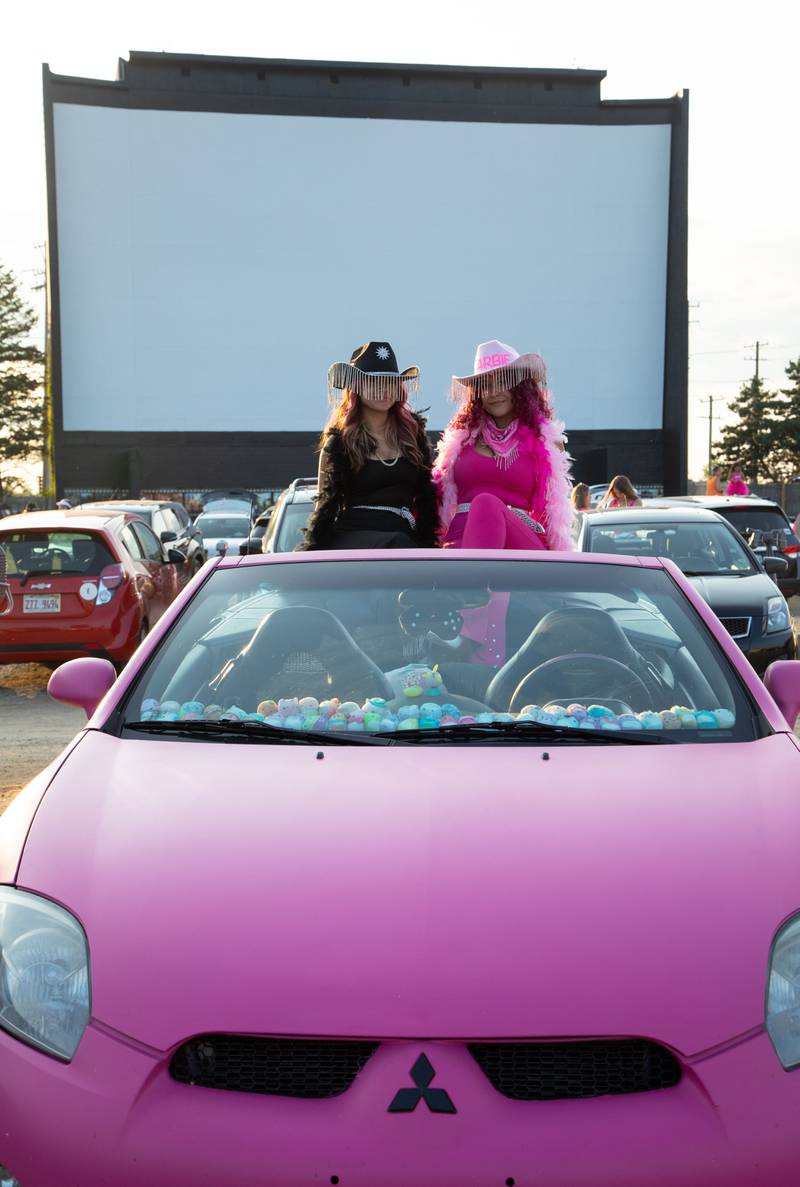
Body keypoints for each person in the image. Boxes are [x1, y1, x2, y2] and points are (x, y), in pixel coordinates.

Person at [433, 339, 573, 551]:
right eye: (486, 385)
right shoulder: (460, 441)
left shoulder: (544, 440)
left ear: (520, 388)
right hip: (462, 544)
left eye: (502, 382)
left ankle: (476, 577)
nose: (493, 392)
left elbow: (554, 511)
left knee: (485, 503)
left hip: (519, 546)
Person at [301, 341, 438, 550]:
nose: (383, 389)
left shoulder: (413, 436)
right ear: (356, 388)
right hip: (354, 538)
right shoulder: (340, 442)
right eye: (374, 382)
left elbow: (426, 499)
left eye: (390, 381)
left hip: (403, 537)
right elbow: (324, 507)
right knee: (398, 544)